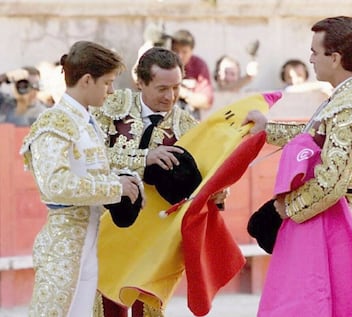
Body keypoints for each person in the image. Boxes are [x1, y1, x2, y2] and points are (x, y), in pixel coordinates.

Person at [244, 16, 352, 315]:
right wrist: (266, 129)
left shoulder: (349, 105)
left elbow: (331, 182)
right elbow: (315, 137)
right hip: (344, 214)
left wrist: (285, 208)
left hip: (337, 221)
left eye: (315, 51)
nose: (310, 58)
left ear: (335, 58)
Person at [19, 40, 142, 317]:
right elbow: (55, 185)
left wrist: (126, 180)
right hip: (63, 244)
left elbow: (101, 169)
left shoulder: (88, 123)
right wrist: (115, 188)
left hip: (90, 238)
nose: (111, 91)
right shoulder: (54, 123)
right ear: (87, 80)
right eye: (107, 83)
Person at [91, 47, 198, 317]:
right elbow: (91, 157)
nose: (170, 96)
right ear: (140, 82)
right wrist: (144, 158)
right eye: (162, 88)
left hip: (156, 233)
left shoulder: (188, 126)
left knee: (149, 308)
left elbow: (210, 178)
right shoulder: (110, 106)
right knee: (106, 305)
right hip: (107, 225)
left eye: (176, 88)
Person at [170, 29, 214, 120]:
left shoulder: (199, 65)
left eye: (184, 52)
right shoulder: (163, 62)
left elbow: (206, 101)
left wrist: (182, 92)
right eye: (175, 51)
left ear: (191, 51)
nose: (179, 56)